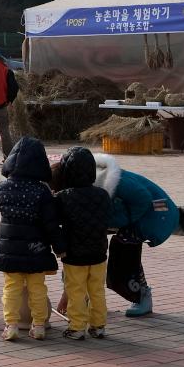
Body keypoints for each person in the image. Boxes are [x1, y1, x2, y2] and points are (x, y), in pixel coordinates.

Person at [0, 137, 64, 341]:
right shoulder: (42, 191)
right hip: (36, 250)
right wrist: (59, 247)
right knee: (38, 289)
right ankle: (39, 325)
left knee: (11, 288)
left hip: (9, 250)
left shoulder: (2, 188)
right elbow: (51, 224)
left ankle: (11, 325)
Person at [92, 152, 179, 318]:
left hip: (157, 214)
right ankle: (91, 296)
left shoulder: (116, 181)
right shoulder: (97, 178)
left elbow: (143, 199)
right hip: (138, 216)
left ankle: (141, 296)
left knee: (124, 252)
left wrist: (117, 220)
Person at [53, 146, 112, 340]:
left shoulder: (64, 197)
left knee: (76, 290)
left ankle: (77, 326)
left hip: (74, 254)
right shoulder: (102, 195)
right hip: (99, 252)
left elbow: (57, 220)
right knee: (97, 290)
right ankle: (98, 325)